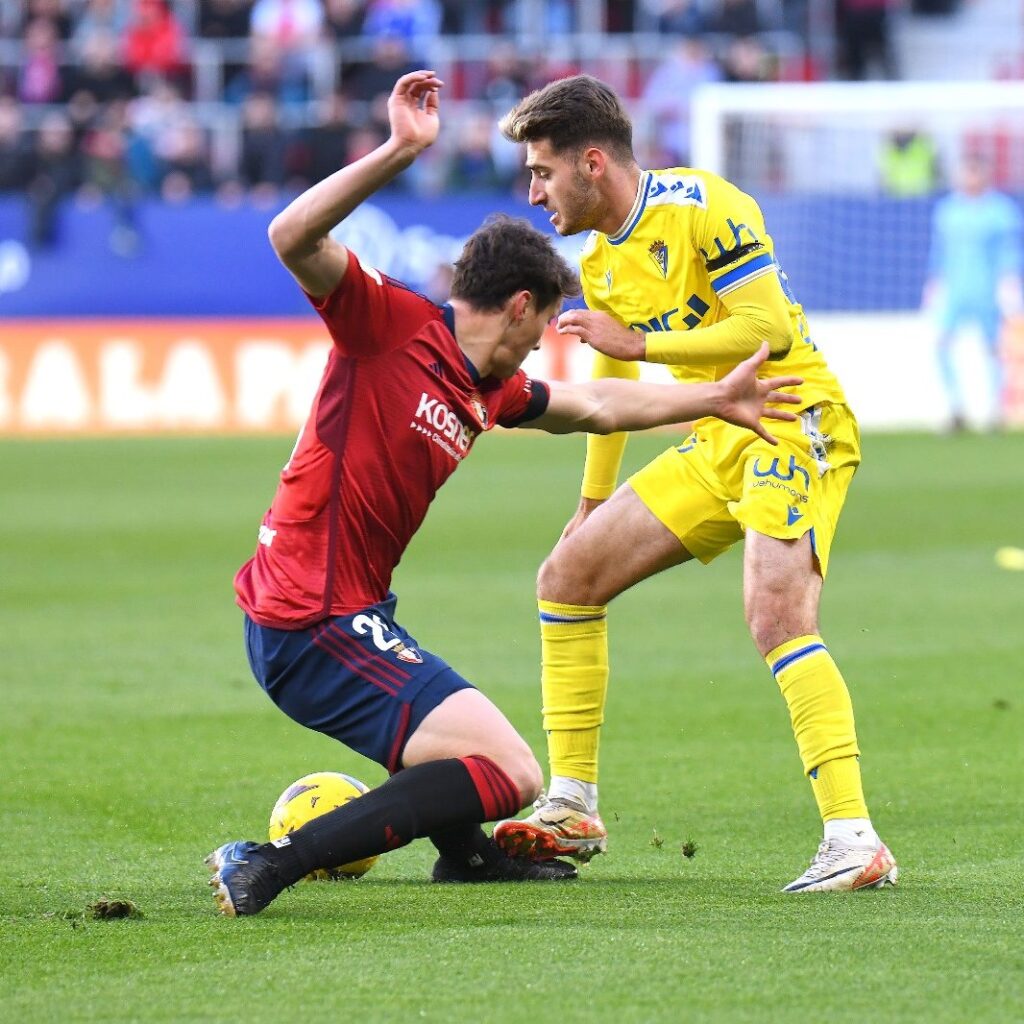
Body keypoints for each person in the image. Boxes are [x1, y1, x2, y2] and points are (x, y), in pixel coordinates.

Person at [205, 70, 804, 916]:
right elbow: (290, 234)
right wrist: (400, 150)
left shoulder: (485, 388)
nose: (537, 356)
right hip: (309, 615)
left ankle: (468, 860)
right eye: (541, 329)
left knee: (463, 749)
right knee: (512, 772)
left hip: (344, 610)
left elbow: (595, 405)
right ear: (522, 308)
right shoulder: (391, 323)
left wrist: (712, 398)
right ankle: (270, 863)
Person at [494, 75, 898, 893]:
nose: (533, 191)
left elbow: (768, 328)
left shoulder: (705, 204)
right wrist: (594, 497)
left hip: (791, 416)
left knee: (776, 613)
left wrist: (643, 341)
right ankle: (571, 804)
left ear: (593, 163)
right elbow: (608, 371)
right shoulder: (603, 256)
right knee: (568, 576)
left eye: (542, 171)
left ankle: (856, 841)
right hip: (720, 432)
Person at [924, 155, 1023, 432]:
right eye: (965, 173)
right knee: (942, 345)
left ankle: (995, 411)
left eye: (974, 173)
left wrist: (1010, 281)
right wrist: (934, 283)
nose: (969, 179)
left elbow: (1011, 251)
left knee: (994, 349)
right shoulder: (947, 210)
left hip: (987, 290)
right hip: (954, 289)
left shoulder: (1001, 211)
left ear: (985, 175)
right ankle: (956, 408)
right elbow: (939, 251)